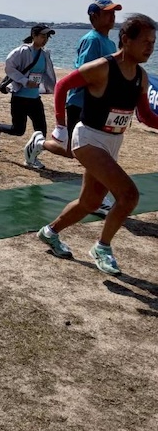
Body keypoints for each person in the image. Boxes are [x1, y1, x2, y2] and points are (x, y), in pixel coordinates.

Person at [36, 14, 158, 275]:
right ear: (126, 39)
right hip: (88, 139)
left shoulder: (141, 76)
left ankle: (50, 231)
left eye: (153, 42)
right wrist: (60, 125)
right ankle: (102, 247)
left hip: (113, 142)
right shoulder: (103, 67)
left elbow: (146, 116)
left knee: (90, 202)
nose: (151, 47)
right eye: (145, 41)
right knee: (129, 195)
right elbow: (62, 86)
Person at [24, 0, 122, 195]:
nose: (112, 16)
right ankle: (40, 143)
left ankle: (39, 143)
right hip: (81, 103)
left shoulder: (110, 44)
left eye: (114, 13)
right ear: (94, 16)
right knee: (79, 151)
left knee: (82, 150)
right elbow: (84, 73)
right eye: (107, 13)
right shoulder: (92, 40)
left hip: (99, 105)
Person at [0, 25, 57, 165]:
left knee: (41, 132)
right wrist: (25, 81)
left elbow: (47, 74)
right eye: (42, 36)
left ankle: (31, 159)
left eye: (47, 37)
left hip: (35, 99)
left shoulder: (45, 54)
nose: (45, 39)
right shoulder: (22, 51)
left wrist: (53, 87)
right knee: (18, 130)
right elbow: (9, 67)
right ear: (34, 36)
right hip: (19, 98)